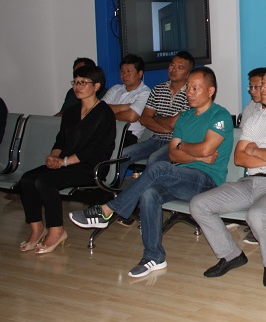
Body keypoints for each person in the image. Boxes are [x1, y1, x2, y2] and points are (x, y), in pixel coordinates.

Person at [69, 67, 233, 277]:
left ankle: (109, 209)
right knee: (149, 194)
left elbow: (204, 149)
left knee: (158, 167)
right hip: (179, 177)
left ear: (210, 91)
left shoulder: (220, 115)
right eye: (188, 88)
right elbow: (173, 154)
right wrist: (195, 155)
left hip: (206, 180)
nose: (189, 93)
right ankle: (154, 256)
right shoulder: (184, 117)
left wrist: (185, 148)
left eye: (195, 88)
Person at [189, 65, 266, 287]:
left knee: (257, 215)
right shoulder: (255, 119)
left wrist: (255, 150)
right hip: (250, 183)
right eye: (262, 83)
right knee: (199, 204)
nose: (263, 88)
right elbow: (239, 158)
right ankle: (231, 255)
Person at [19, 65, 115, 254]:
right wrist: (54, 157)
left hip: (91, 167)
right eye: (75, 82)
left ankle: (57, 230)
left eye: (83, 82)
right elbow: (60, 140)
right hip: (65, 163)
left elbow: (94, 149)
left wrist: (63, 162)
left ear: (96, 86)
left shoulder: (104, 113)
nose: (77, 87)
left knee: (45, 181)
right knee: (27, 179)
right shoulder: (71, 112)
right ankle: (37, 229)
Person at [116, 51, 193, 179]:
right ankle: (113, 188)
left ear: (188, 74)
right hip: (155, 139)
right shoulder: (158, 89)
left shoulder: (191, 93)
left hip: (176, 142)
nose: (174, 70)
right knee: (123, 155)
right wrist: (166, 128)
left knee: (154, 160)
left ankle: (147, 191)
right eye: (172, 65)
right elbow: (144, 119)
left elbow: (174, 123)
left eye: (180, 67)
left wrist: (156, 117)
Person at [101, 54, 150, 147]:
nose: (124, 74)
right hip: (105, 131)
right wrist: (124, 107)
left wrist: (108, 115)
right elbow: (99, 109)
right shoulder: (115, 89)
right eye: (122, 71)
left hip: (127, 135)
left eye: (129, 71)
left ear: (140, 74)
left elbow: (131, 117)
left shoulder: (145, 93)